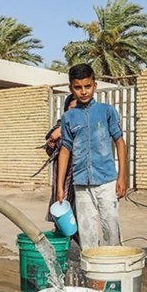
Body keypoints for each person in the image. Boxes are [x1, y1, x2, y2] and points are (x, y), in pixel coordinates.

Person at [57, 64, 127, 248]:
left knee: (111, 228)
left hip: (106, 181)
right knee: (87, 232)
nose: (83, 91)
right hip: (81, 183)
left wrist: (122, 177)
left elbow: (120, 142)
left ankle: (114, 273)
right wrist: (60, 187)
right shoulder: (68, 118)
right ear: (71, 88)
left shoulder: (106, 111)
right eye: (78, 87)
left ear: (94, 85)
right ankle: (93, 276)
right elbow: (65, 150)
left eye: (87, 86)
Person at [42, 95, 78, 238]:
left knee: (78, 216)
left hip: (80, 175)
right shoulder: (60, 124)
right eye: (72, 109)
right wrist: (53, 139)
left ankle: (85, 248)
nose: (75, 112)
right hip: (63, 175)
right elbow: (50, 146)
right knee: (62, 213)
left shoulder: (84, 125)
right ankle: (62, 248)